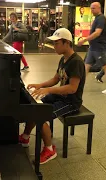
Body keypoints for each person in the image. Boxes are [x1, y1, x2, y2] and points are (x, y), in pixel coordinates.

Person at [19, 28, 86, 164]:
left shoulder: (76, 62)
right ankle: (25, 137)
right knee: (35, 107)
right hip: (60, 96)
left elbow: (72, 89)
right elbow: (56, 79)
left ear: (66, 43)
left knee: (41, 116)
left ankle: (49, 150)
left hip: (71, 101)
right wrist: (40, 85)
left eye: (57, 43)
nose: (54, 46)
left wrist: (49, 90)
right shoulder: (64, 59)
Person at [78, 2, 106, 94]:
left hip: (99, 48)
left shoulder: (101, 19)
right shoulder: (97, 19)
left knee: (105, 66)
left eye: (93, 8)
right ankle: (79, 85)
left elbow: (97, 32)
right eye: (91, 8)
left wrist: (84, 40)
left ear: (99, 8)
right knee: (86, 66)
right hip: (92, 47)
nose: (91, 10)